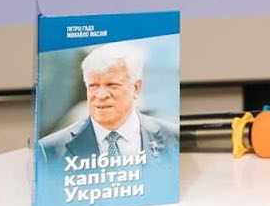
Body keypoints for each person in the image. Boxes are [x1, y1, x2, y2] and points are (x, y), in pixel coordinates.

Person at [38, 44, 178, 163]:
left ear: (136, 88)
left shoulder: (171, 136)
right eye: (93, 85)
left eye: (112, 85)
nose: (101, 95)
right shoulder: (52, 147)